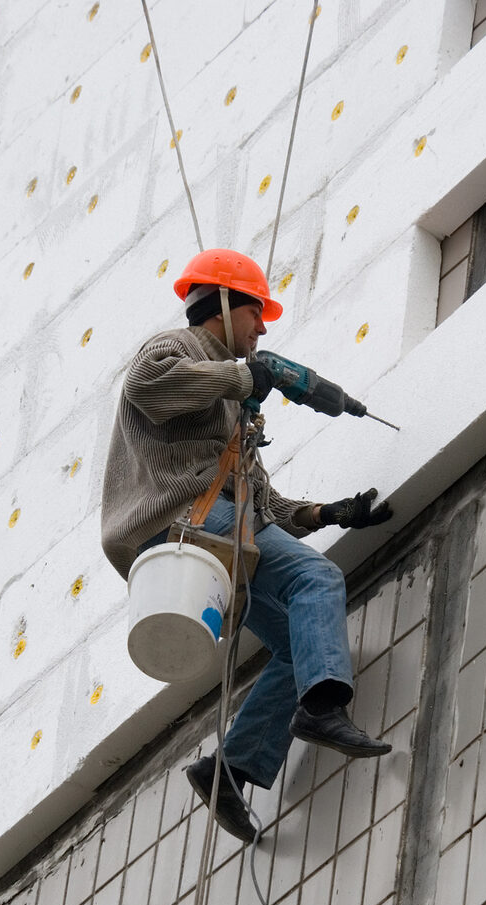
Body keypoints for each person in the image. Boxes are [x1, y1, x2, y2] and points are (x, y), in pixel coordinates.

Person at [101, 248, 394, 842]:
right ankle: (323, 708)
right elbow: (146, 386)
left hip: (213, 535)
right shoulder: (178, 350)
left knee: (294, 646)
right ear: (226, 303)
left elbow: (257, 500)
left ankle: (228, 771)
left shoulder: (233, 404)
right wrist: (246, 376)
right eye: (257, 313)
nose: (262, 330)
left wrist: (327, 512)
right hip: (185, 522)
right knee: (317, 581)